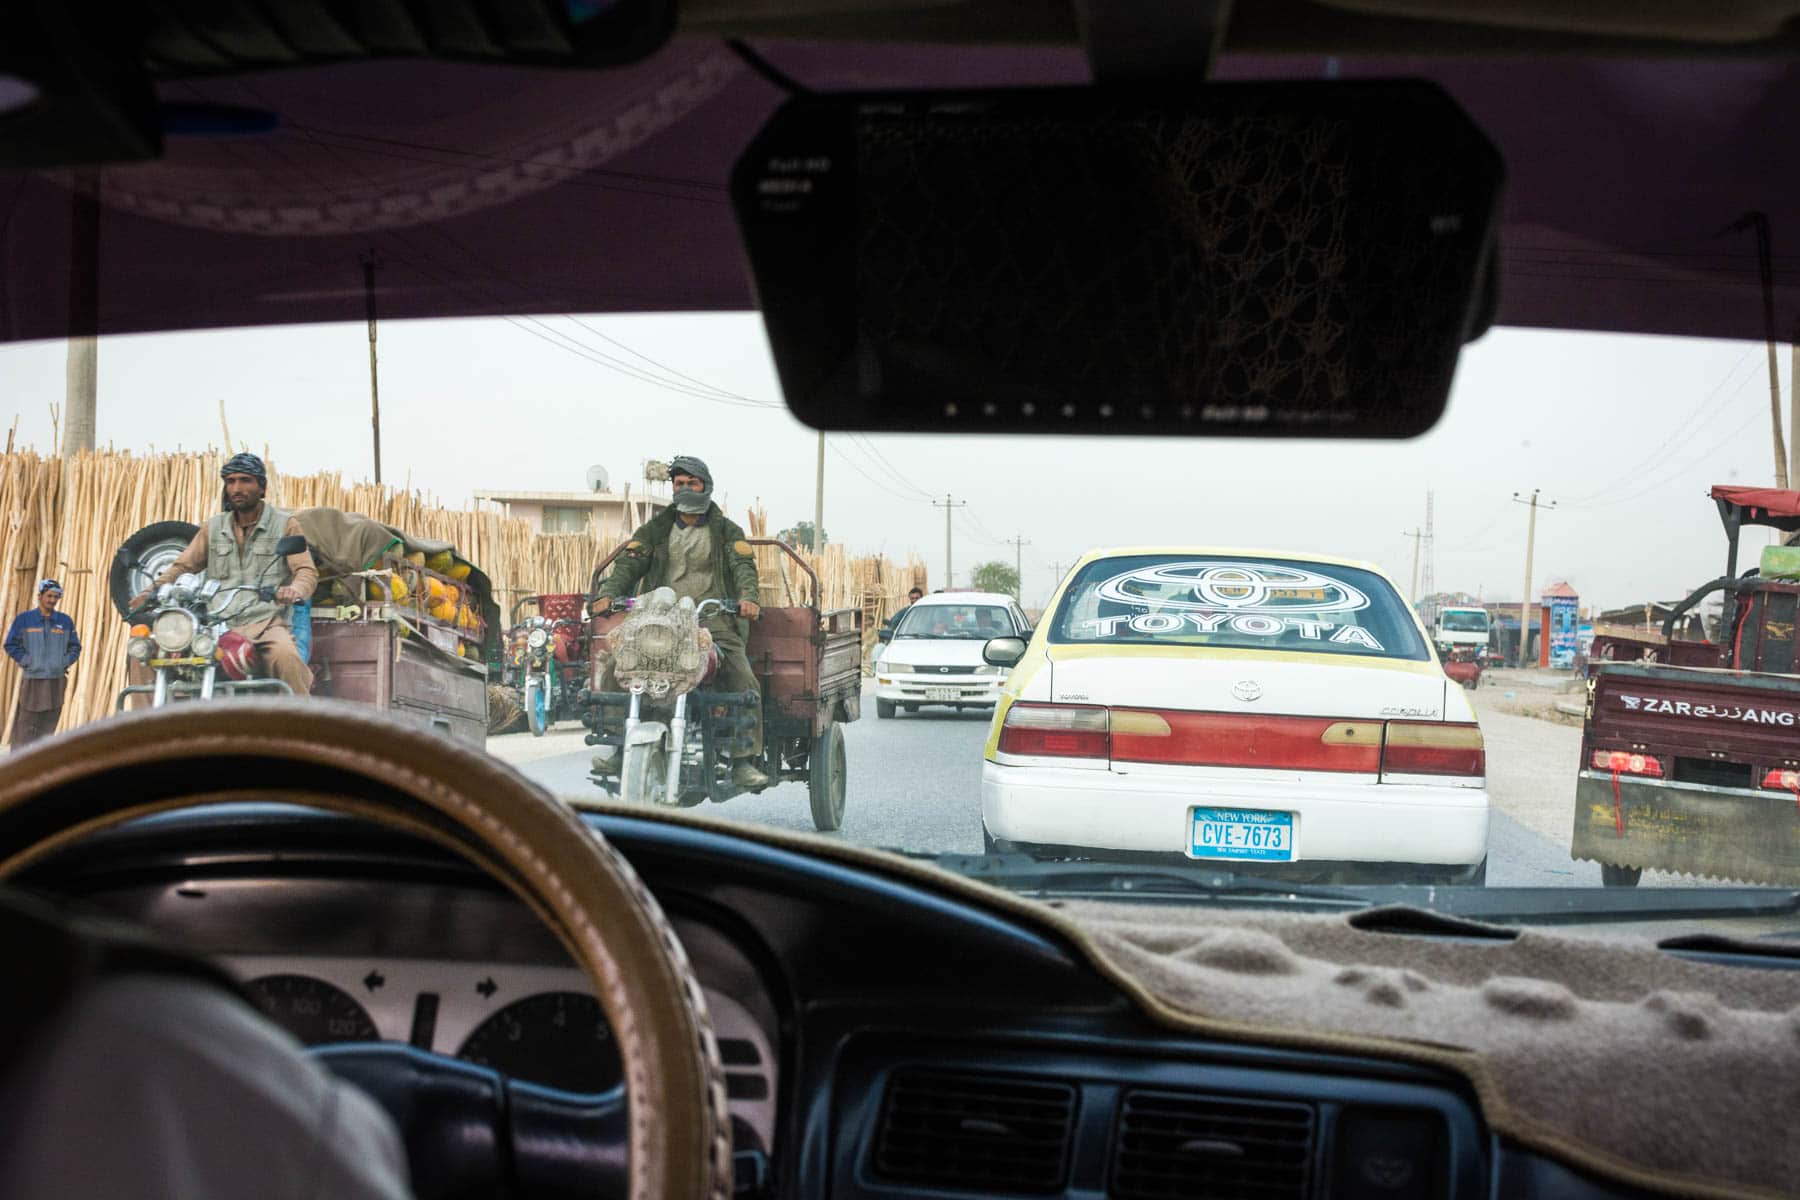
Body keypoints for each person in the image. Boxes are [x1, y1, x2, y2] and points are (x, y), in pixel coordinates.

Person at [591, 456, 769, 789]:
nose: (685, 489)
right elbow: (629, 565)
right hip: (656, 621)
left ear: (706, 486)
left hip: (713, 621)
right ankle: (619, 747)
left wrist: (748, 598)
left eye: (692, 483)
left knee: (744, 679)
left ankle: (744, 761)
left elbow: (744, 567)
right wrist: (608, 593)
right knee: (617, 668)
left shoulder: (728, 531)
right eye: (679, 483)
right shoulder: (655, 529)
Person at [130, 453, 318, 696]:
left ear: (262, 487)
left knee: (288, 659)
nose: (237, 488)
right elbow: (183, 566)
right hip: (215, 624)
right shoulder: (214, 527)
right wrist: (149, 592)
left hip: (265, 624)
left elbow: (305, 569)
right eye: (230, 482)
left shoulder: (284, 524)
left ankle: (300, 725)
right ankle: (144, 727)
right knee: (144, 651)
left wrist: (295, 590)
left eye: (245, 480)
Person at [4, 580, 81, 748]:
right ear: (40, 596)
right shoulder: (24, 620)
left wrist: (63, 662)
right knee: (26, 724)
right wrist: (27, 661)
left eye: (56, 597)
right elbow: (10, 644)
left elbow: (75, 647)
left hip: (56, 680)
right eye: (49, 596)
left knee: (49, 724)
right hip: (33, 679)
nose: (52, 600)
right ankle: (20, 762)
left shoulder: (65, 621)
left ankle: (42, 761)